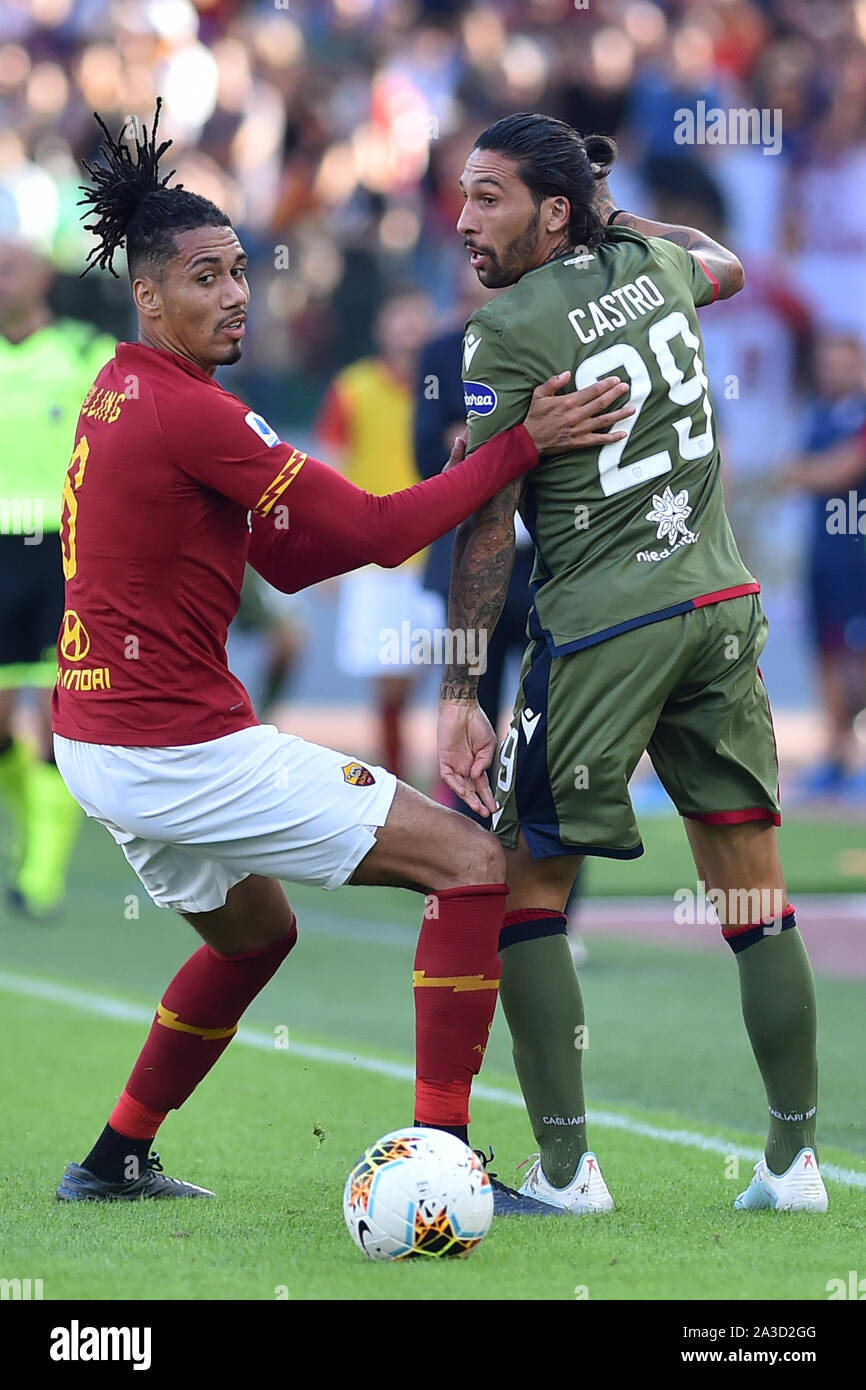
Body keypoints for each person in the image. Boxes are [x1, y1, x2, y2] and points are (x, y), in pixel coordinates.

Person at [51, 105, 631, 1211]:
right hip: (176, 746)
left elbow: (297, 554)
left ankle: (117, 1155)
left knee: (253, 936)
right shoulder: (193, 414)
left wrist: (450, 474)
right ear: (149, 295)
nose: (233, 294)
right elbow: (371, 533)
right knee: (468, 863)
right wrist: (517, 446)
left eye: (237, 271)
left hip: (106, 744)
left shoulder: (121, 390)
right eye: (206, 278)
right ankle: (442, 1164)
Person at [437, 113, 827, 1216]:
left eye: (489, 198)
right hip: (717, 604)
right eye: (463, 196)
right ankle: (792, 1164)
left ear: (550, 212)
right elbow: (729, 262)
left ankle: (564, 1175)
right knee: (751, 888)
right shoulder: (657, 263)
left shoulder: (502, 328)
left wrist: (460, 688)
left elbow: (483, 523)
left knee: (520, 889)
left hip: (604, 630)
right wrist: (615, 221)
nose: (464, 221)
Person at [414, 299, 589, 967]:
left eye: (490, 200)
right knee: (468, 734)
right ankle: (463, 904)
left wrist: (505, 435)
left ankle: (554, 918)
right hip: (474, 565)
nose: (470, 229)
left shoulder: (574, 330)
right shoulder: (441, 350)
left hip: (554, 568)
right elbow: (430, 454)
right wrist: (516, 435)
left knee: (556, 745)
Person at [0, 238, 114, 918]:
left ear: (42, 276)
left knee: (45, 713)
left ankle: (41, 877)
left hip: (57, 551)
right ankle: (29, 846)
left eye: (13, 266)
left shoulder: (83, 353)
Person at [316, 291, 440, 781]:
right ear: (381, 328)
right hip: (379, 561)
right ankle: (396, 782)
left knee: (457, 675)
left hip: (442, 555)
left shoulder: (446, 386)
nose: (409, 329)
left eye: (418, 318)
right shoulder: (352, 389)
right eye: (400, 318)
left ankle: (452, 786)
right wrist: (328, 552)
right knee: (391, 685)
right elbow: (328, 474)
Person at [782, 332, 866, 797]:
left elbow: (842, 469)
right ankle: (837, 753)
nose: (833, 372)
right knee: (828, 654)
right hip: (824, 558)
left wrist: (803, 472)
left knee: (858, 657)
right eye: (826, 362)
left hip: (860, 560)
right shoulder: (817, 415)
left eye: (842, 362)